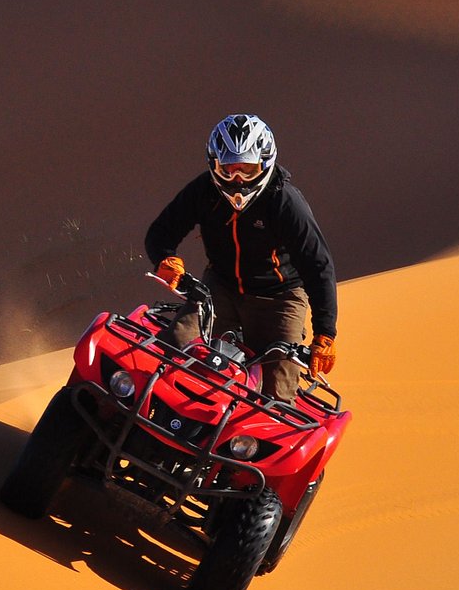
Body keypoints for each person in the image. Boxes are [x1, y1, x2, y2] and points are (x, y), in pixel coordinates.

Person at [144, 114, 337, 402]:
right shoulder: (204, 191)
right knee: (173, 348)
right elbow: (161, 232)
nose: (237, 179)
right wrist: (164, 260)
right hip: (219, 288)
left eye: (247, 169)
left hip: (280, 299)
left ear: (265, 163)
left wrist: (325, 334)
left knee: (278, 393)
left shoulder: (285, 201)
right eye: (229, 168)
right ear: (214, 164)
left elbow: (318, 265)